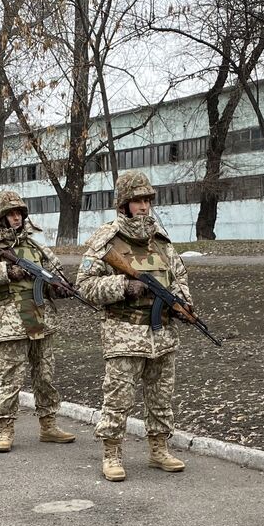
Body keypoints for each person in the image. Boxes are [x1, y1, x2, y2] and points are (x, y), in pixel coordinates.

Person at [75, 170, 190, 481]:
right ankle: (111, 452)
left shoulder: (161, 241)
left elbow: (179, 279)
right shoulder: (106, 240)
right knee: (118, 397)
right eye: (137, 200)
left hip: (162, 334)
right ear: (123, 204)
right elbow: (84, 286)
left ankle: (158, 448)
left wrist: (182, 303)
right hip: (124, 334)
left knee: (161, 396)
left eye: (147, 200)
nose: (144, 206)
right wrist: (123, 287)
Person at [0, 190, 77, 451]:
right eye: (10, 214)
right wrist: (6, 271)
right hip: (11, 322)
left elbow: (54, 273)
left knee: (45, 377)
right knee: (11, 380)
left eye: (19, 214)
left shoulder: (36, 246)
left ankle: (48, 425)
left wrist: (60, 288)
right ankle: (6, 428)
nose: (16, 218)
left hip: (40, 319)